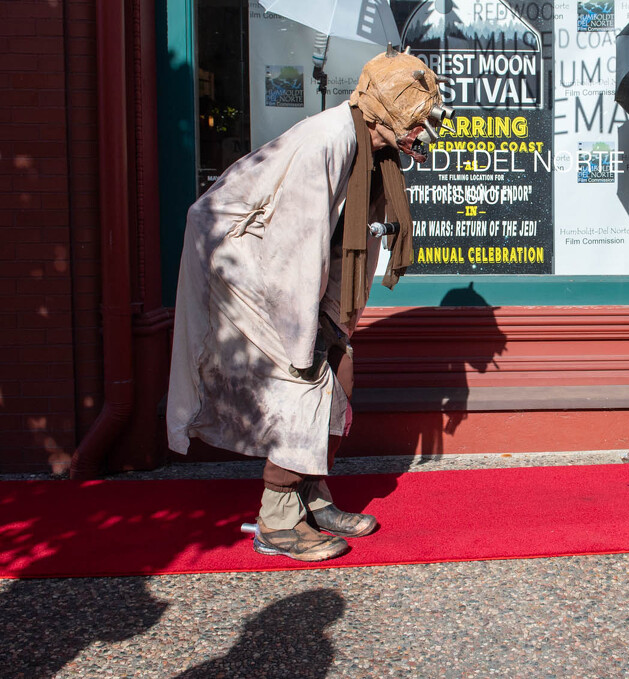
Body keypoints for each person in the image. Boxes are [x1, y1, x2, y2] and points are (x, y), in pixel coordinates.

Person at [166, 50, 447, 562]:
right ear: (388, 110)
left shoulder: (370, 147)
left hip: (287, 261)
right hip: (242, 258)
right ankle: (277, 520)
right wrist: (301, 336)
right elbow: (297, 242)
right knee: (305, 379)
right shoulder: (328, 139)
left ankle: (312, 497)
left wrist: (336, 318)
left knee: (340, 371)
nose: (423, 133)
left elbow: (338, 237)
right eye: (418, 119)